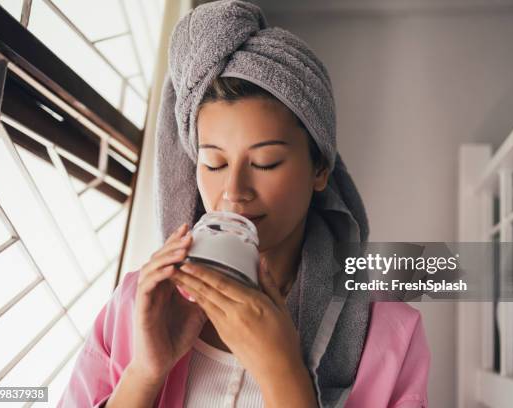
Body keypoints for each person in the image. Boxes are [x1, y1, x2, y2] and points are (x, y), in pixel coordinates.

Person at [57, 1, 430, 407]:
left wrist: (281, 371)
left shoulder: (389, 332)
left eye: (266, 162)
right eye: (214, 163)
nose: (233, 191)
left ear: (320, 169)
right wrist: (145, 373)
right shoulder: (139, 303)